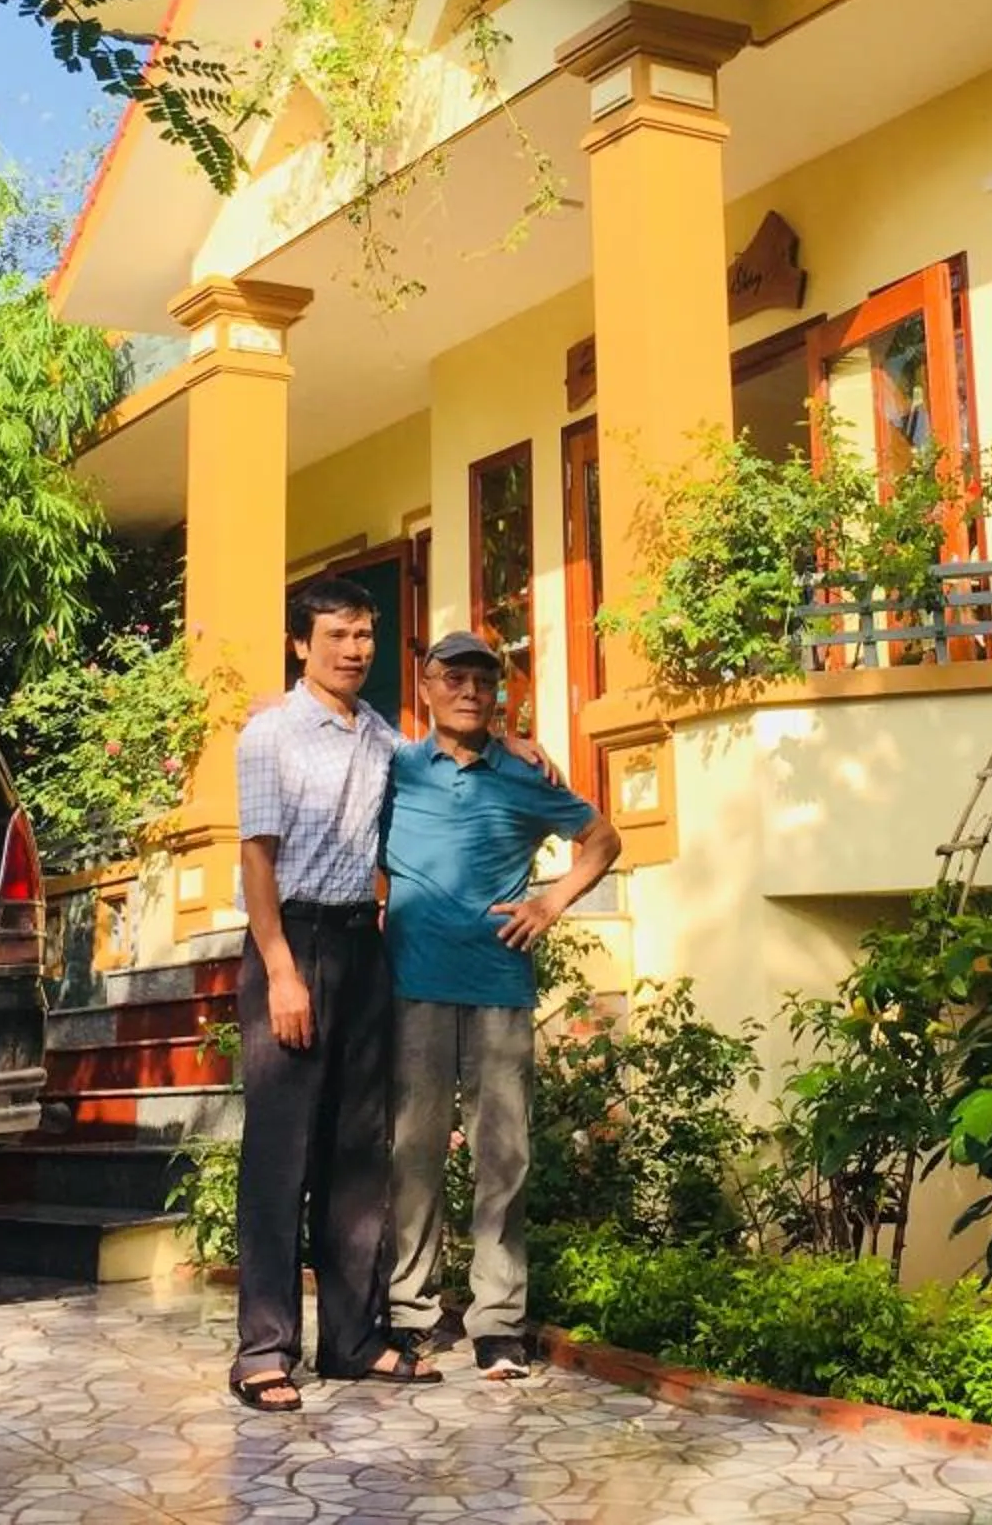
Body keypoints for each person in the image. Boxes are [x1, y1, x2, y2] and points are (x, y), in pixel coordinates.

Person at [382, 631, 623, 1380]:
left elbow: (602, 839)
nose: (470, 692)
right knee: (411, 1157)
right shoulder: (392, 768)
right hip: (412, 988)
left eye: (484, 682)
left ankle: (497, 1324)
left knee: (503, 1159)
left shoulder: (524, 776)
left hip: (499, 988)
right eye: (453, 678)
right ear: (425, 687)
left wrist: (551, 903)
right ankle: (410, 1312)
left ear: (497, 695)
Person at [228, 576, 440, 1412]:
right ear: (300, 645)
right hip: (295, 940)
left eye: (365, 635)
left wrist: (516, 745)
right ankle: (263, 1350)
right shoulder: (270, 735)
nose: (356, 649)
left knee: (359, 1152)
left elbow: (440, 764)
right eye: (339, 635)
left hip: (363, 942)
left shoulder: (381, 736)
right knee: (282, 1153)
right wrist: (279, 968)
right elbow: (256, 860)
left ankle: (353, 1339)